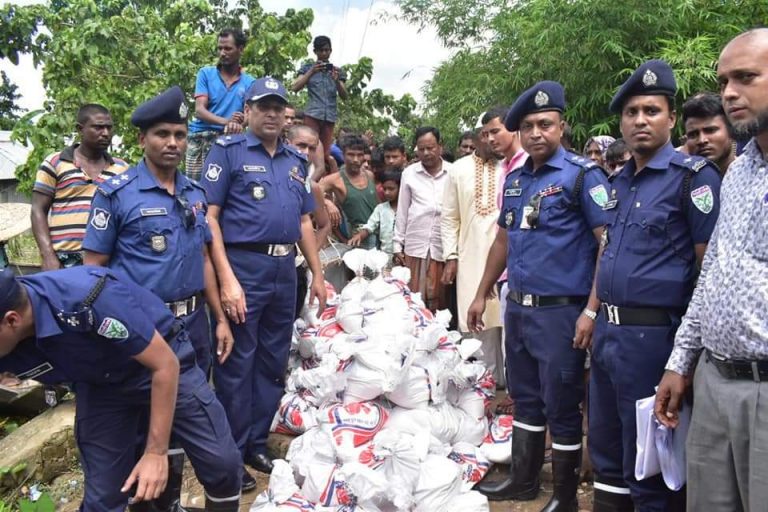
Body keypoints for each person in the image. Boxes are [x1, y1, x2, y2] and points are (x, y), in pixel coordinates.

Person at [81, 86, 240, 502]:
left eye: (180, 135)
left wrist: (220, 318)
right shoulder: (116, 194)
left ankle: (169, 498)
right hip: (138, 333)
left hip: (191, 329)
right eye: (162, 134)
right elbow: (92, 271)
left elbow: (204, 259)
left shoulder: (193, 194)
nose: (172, 143)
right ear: (141, 140)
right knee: (134, 441)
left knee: (207, 449)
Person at [468, 81, 608, 511]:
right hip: (520, 309)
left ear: (561, 126)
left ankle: (564, 498)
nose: (536, 134)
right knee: (525, 398)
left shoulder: (583, 175)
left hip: (562, 313)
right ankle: (524, 481)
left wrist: (591, 309)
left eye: (545, 124)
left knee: (562, 404)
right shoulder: (515, 179)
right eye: (527, 126)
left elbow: (607, 243)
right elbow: (503, 241)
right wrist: (480, 293)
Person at [589, 60, 721, 512]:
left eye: (651, 110)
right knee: (607, 449)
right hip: (608, 334)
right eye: (631, 113)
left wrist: (687, 357)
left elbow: (709, 271)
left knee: (650, 459)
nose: (640, 120)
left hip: (655, 340)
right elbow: (606, 252)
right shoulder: (617, 181)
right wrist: (591, 312)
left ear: (670, 119)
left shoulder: (693, 179)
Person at [0, 266, 242, 512]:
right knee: (104, 495)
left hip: (159, 362)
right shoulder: (8, 334)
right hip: (100, 386)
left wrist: (156, 453)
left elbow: (165, 365)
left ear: (12, 320)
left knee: (221, 463)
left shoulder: (86, 299)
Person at [654, 28, 768, 512]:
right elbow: (715, 273)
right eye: (724, 81)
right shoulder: (740, 170)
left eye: (746, 78)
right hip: (715, 381)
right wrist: (681, 362)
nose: (728, 93)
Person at [201, 76, 326, 476]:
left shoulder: (296, 161)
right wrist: (227, 280)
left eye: (278, 108)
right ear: (249, 110)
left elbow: (305, 221)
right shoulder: (228, 152)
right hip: (243, 267)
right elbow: (210, 220)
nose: (271, 114)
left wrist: (319, 277)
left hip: (284, 269)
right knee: (237, 363)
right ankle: (230, 454)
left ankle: (255, 444)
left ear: (285, 116)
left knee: (273, 361)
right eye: (263, 106)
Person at [442, 118, 505, 388]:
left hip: (509, 257)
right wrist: (451, 257)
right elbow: (449, 217)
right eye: (486, 134)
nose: (491, 140)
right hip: (471, 258)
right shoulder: (458, 169)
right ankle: (485, 387)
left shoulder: (515, 165)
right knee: (478, 324)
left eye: (497, 133)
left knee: (508, 323)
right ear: (478, 137)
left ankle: (513, 391)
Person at [31, 104, 128, 270]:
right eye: (98, 127)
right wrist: (47, 255)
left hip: (106, 259)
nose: (105, 133)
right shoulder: (55, 162)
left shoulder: (122, 169)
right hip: (63, 259)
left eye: (109, 128)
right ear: (80, 129)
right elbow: (38, 210)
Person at [394, 127, 452, 311]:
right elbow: (402, 210)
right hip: (415, 244)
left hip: (443, 244)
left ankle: (440, 335)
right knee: (414, 297)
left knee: (440, 298)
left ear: (440, 147)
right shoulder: (409, 174)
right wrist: (397, 244)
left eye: (431, 148)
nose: (426, 153)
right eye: (421, 149)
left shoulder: (453, 172)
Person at [186, 28, 255, 181]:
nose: (223, 53)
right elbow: (199, 111)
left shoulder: (250, 82)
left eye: (228, 48)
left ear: (241, 49)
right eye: (220, 48)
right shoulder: (205, 73)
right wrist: (227, 122)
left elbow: (250, 115)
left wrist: (240, 123)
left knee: (228, 186)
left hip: (229, 138)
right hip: (200, 137)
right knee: (195, 188)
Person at [285, 124, 332, 317]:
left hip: (294, 268)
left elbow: (324, 224)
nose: (306, 152)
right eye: (301, 145)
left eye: (312, 148)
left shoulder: (311, 186)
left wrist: (308, 259)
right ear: (287, 144)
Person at [291, 36, 348, 163]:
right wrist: (312, 71)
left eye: (326, 50)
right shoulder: (307, 68)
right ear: (315, 52)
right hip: (312, 114)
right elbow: (295, 87)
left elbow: (344, 96)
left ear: (330, 51)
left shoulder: (338, 71)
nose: (324, 53)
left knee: (324, 154)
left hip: (330, 117)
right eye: (320, 50)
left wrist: (337, 81)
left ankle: (320, 180)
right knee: (308, 147)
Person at [320, 134, 379, 248]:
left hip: (379, 233)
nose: (356, 160)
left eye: (360, 155)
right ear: (343, 155)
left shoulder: (369, 175)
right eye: (351, 155)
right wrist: (327, 203)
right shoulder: (336, 180)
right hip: (357, 239)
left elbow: (378, 205)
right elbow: (309, 190)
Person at [347, 169, 400, 258]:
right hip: (386, 255)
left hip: (404, 254)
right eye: (384, 189)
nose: (387, 192)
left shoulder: (408, 208)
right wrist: (359, 235)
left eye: (391, 189)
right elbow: (370, 226)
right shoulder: (381, 208)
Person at [682, 92, 736, 176]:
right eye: (693, 135)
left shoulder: (752, 175)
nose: (701, 140)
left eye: (710, 130)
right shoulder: (680, 183)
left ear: (731, 130)